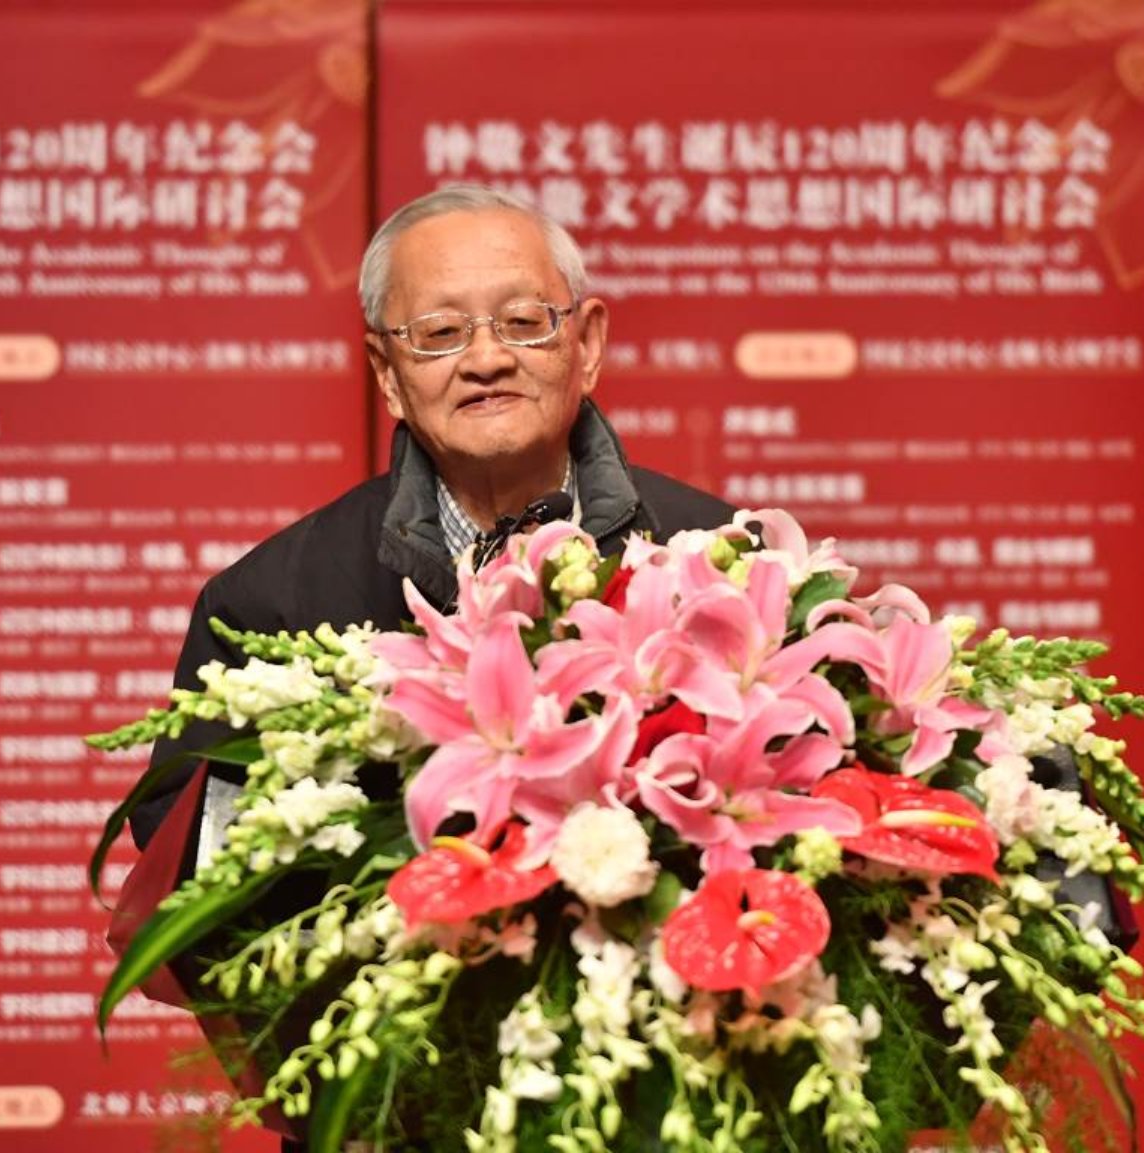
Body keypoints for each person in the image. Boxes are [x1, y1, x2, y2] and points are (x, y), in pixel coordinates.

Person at [129, 183, 733, 849]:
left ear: (586, 344)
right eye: (440, 333)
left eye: (523, 322)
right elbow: (194, 851)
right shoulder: (269, 605)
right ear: (387, 373)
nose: (486, 359)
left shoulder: (723, 561)